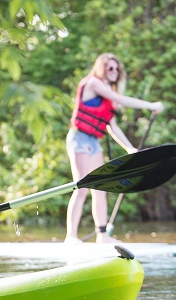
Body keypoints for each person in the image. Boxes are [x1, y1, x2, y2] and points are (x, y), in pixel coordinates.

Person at [65, 53, 164, 244]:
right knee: (81, 188)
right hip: (79, 138)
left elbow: (112, 126)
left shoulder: (107, 98)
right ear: (101, 68)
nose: (114, 72)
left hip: (94, 142)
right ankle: (71, 237)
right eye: (110, 68)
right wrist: (150, 105)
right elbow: (122, 99)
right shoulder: (93, 84)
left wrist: (129, 148)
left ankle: (102, 236)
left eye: (117, 69)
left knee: (100, 188)